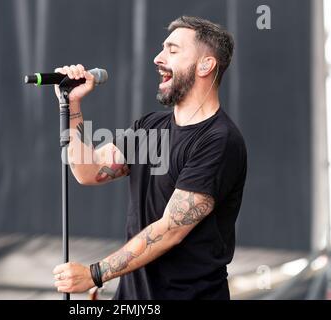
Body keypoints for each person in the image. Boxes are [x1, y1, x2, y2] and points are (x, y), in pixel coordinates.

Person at [52, 16, 247, 300]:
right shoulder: (150, 127)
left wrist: (95, 273)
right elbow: (89, 172)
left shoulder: (219, 141)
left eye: (173, 49)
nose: (158, 58)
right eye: (161, 49)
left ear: (206, 65)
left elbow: (170, 230)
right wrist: (72, 104)